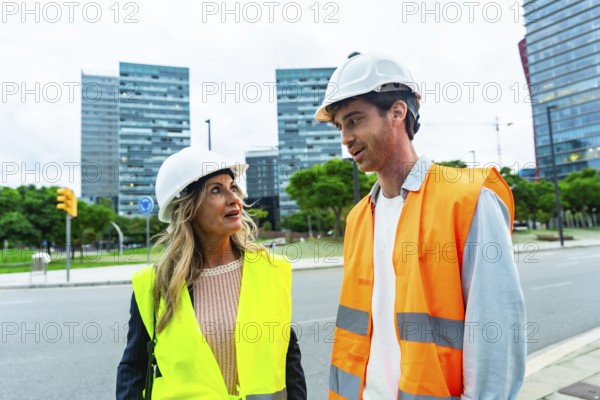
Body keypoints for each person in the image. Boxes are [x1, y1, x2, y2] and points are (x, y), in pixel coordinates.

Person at [314, 52, 526, 399]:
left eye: (354, 120)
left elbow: (496, 336)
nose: (345, 138)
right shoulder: (358, 218)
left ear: (397, 112)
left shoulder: (467, 200)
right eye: (340, 126)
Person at [116, 146, 307, 399]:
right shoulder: (157, 285)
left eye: (233, 187)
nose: (234, 199)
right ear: (188, 208)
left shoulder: (269, 270)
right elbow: (133, 367)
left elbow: (288, 355)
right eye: (216, 190)